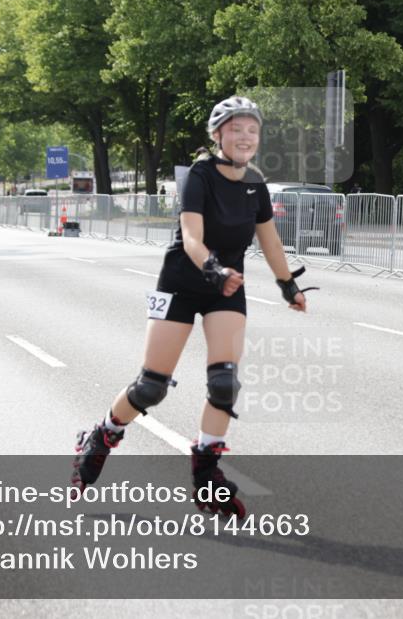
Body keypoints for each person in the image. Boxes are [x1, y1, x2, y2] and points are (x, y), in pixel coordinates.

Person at [71, 96, 316, 517]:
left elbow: (270, 241)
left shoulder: (255, 184)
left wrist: (287, 284)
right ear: (218, 134)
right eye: (236, 129)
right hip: (183, 282)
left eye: (252, 130)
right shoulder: (199, 176)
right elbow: (191, 237)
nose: (245, 137)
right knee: (152, 385)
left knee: (224, 383)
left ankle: (206, 476)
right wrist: (215, 269)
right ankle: (100, 436)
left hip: (227, 288)